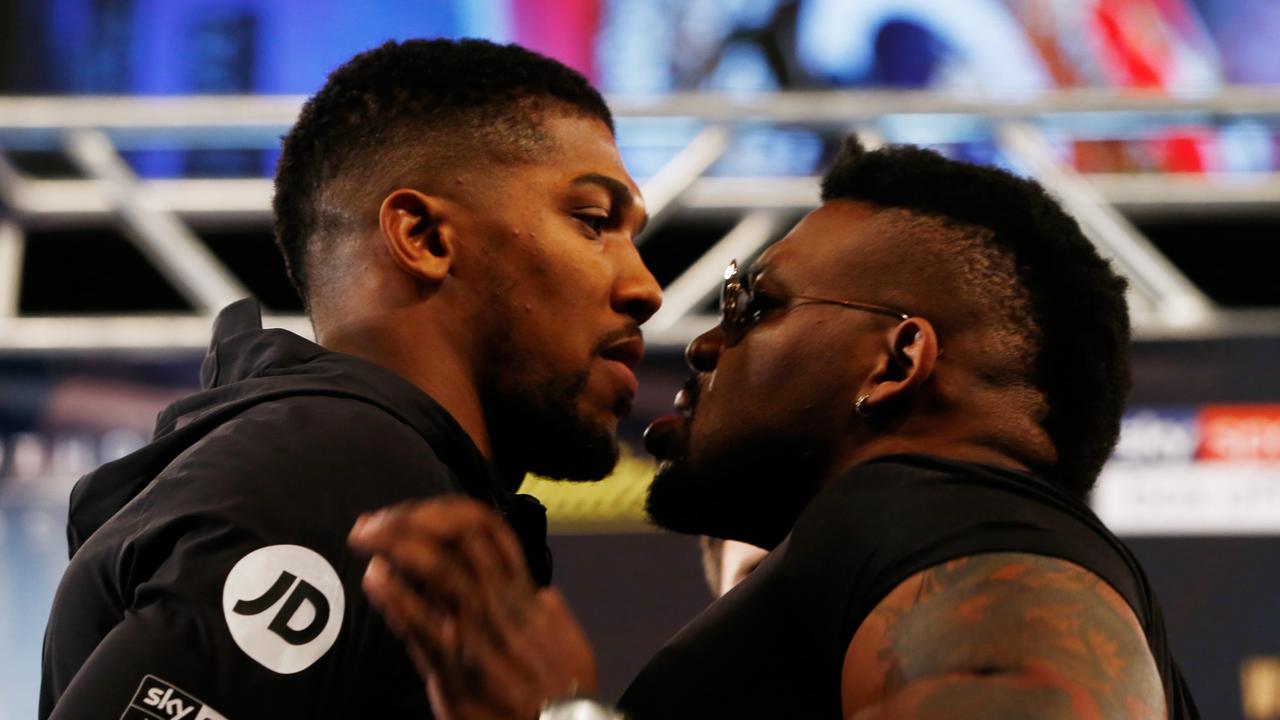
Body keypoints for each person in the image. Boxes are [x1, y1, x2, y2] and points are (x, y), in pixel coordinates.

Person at [348, 136, 1199, 719]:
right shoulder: (887, 541)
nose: (705, 342)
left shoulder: (947, 520)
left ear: (896, 362)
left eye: (752, 304)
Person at [39, 37, 660, 719]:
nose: (645, 287)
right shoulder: (344, 472)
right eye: (594, 222)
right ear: (423, 238)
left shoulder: (359, 468)